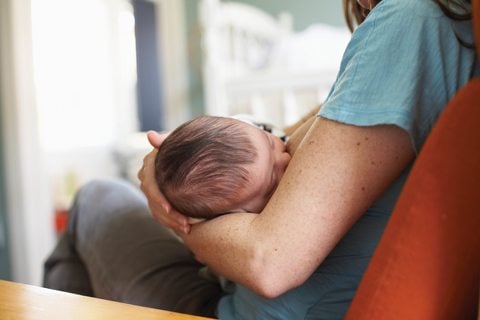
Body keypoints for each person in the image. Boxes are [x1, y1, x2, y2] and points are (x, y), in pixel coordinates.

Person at [44, 0, 478, 319]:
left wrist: (178, 217)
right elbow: (288, 140)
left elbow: (268, 262)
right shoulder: (450, 33)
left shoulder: (410, 21)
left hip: (237, 312)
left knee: (95, 198)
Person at [155, 115, 291, 220]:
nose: (285, 158)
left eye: (271, 142)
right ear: (240, 214)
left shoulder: (249, 130)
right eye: (273, 178)